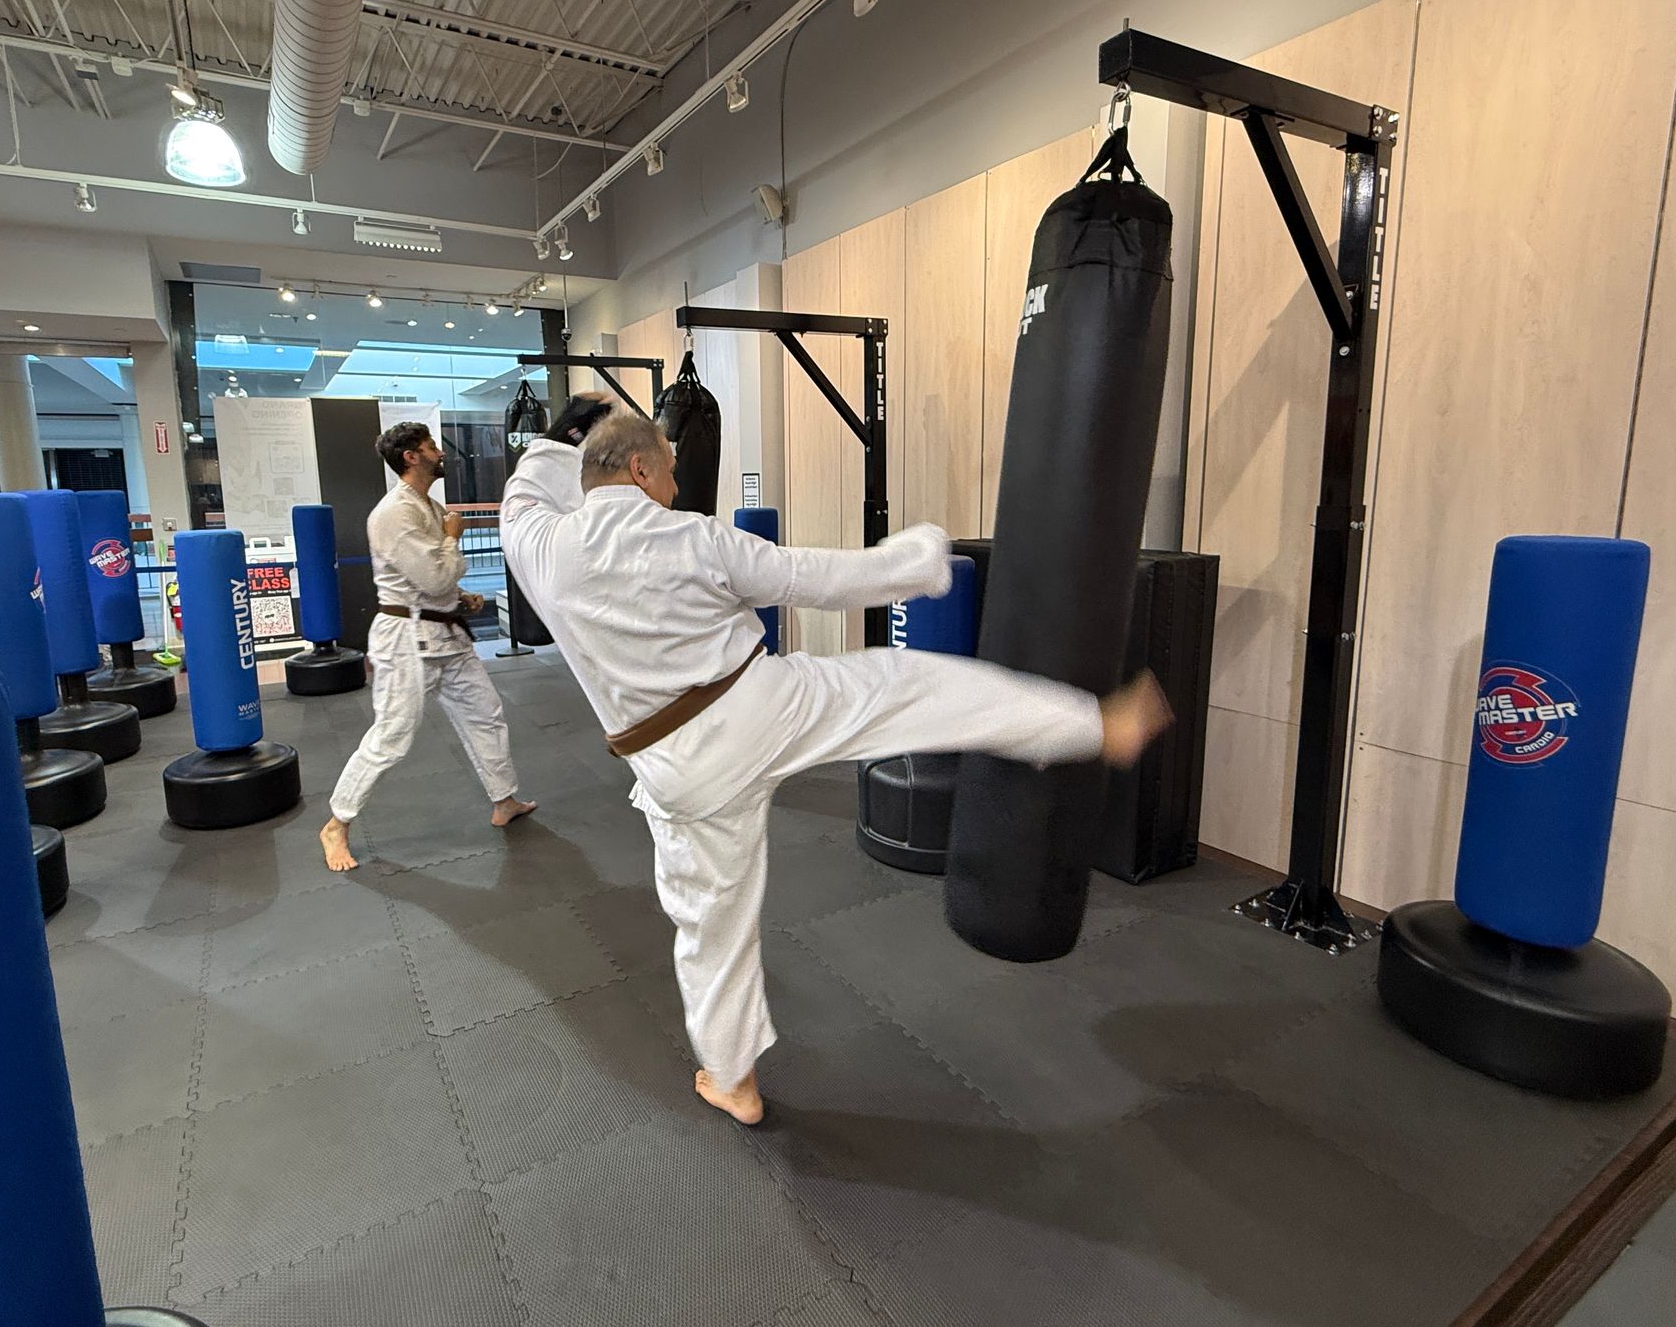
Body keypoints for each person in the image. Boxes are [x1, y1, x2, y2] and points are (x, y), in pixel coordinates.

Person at [501, 412, 1173, 1125]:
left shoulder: (543, 549)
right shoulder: (692, 537)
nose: (674, 485)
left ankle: (732, 1079)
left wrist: (558, 442)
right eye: (668, 469)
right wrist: (920, 557)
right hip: (757, 711)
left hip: (670, 767)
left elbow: (523, 493)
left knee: (709, 924)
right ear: (639, 469)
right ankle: (1096, 725)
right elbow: (814, 577)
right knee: (913, 686)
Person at [319, 421, 535, 872]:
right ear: (411, 457)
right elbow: (436, 573)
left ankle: (503, 799)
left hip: (445, 632)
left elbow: (433, 583)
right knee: (393, 735)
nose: (441, 452)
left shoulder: (427, 505)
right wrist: (453, 535)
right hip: (405, 641)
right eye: (431, 446)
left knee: (486, 712)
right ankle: (337, 824)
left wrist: (462, 599)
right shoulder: (393, 513)